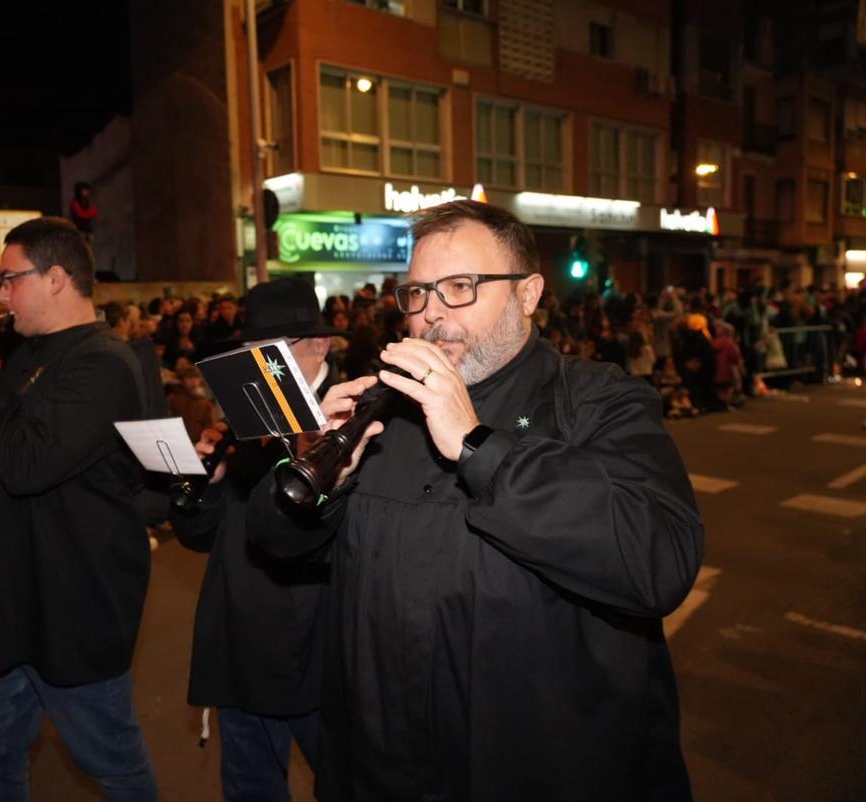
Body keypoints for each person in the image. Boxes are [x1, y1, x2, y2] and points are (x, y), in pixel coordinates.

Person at [245, 200, 704, 801]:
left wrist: (476, 444)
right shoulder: (381, 407)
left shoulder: (597, 400)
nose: (431, 312)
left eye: (460, 287)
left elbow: (661, 560)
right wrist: (318, 474)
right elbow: (273, 542)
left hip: (535, 772)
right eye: (417, 293)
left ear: (527, 294)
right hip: (379, 770)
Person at [0, 216, 157, 802]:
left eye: (9, 279)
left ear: (56, 278)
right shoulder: (28, 354)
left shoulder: (103, 362)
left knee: (112, 763)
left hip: (69, 606)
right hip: (4, 600)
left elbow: (26, 465)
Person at [171, 278, 340, 801]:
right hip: (238, 646)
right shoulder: (243, 419)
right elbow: (200, 537)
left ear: (319, 345)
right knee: (250, 789)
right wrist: (203, 484)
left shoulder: (357, 415)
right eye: (250, 352)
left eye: (272, 352)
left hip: (321, 655)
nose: (257, 366)